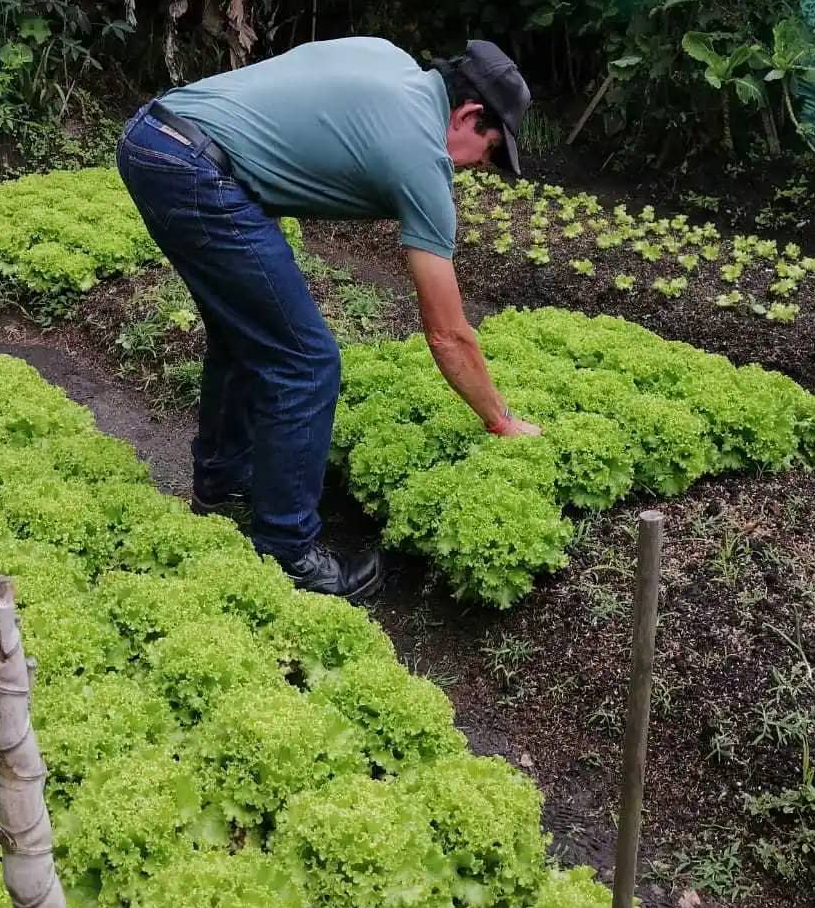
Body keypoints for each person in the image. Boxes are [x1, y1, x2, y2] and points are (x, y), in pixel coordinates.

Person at [116, 37, 541, 602]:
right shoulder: (420, 154)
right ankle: (289, 552)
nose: (476, 170)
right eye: (486, 152)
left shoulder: (388, 61)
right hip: (197, 169)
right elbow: (447, 333)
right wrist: (500, 420)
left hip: (154, 136)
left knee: (244, 331)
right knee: (306, 360)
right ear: (467, 114)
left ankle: (222, 481)